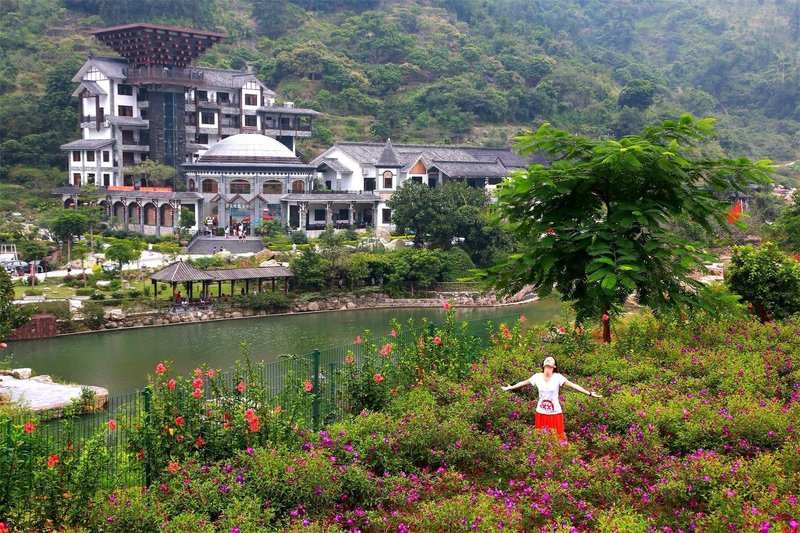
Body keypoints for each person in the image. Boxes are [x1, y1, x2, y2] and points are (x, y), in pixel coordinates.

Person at [502, 356, 602, 442]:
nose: (549, 359)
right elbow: (524, 383)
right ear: (543, 365)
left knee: (557, 439)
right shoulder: (537, 377)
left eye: (551, 360)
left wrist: (589, 393)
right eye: (547, 359)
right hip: (541, 413)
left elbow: (574, 385)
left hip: (555, 414)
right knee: (541, 438)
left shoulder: (558, 378)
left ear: (554, 366)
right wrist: (511, 387)